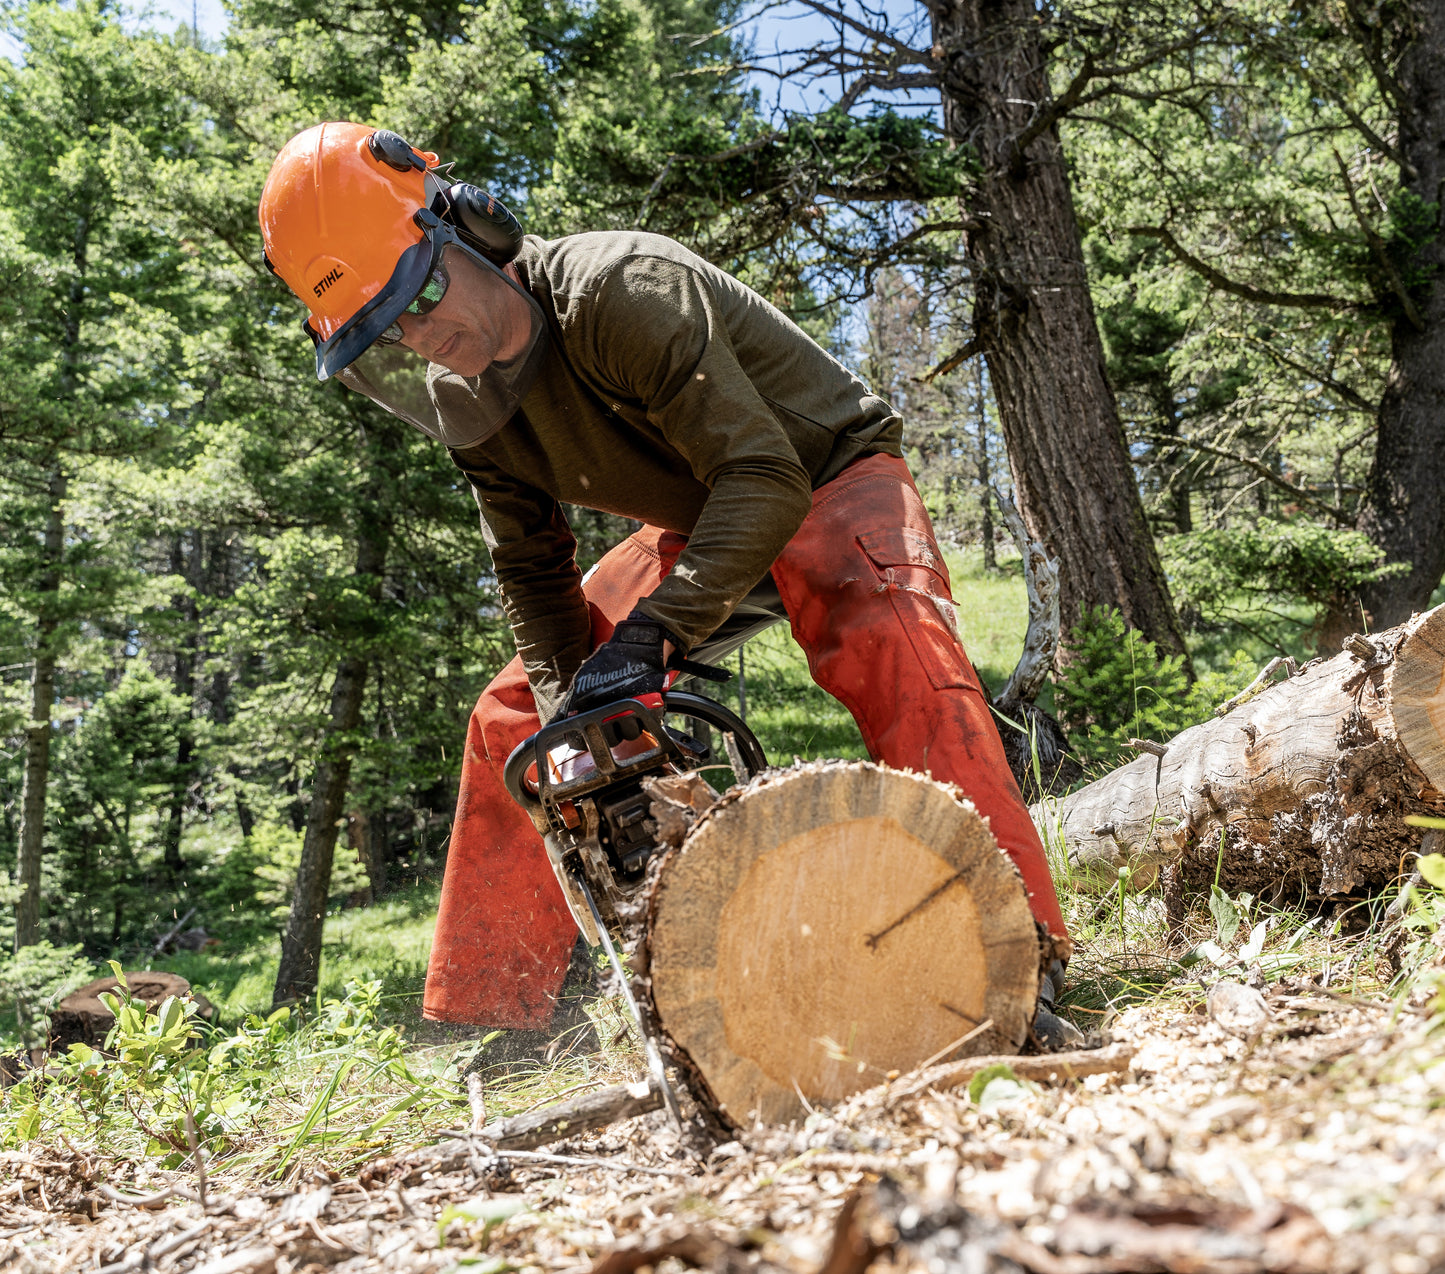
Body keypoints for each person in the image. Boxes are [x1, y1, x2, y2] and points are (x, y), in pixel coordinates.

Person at [258, 121, 1076, 1048]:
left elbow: (765, 478)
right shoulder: (465, 401)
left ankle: (1017, 950)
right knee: (513, 718)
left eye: (425, 291)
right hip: (696, 515)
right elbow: (530, 566)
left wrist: (653, 639)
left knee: (892, 644)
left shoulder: (620, 288)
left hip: (820, 472)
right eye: (389, 328)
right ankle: (502, 1023)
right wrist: (581, 715)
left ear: (473, 230)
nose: (424, 333)